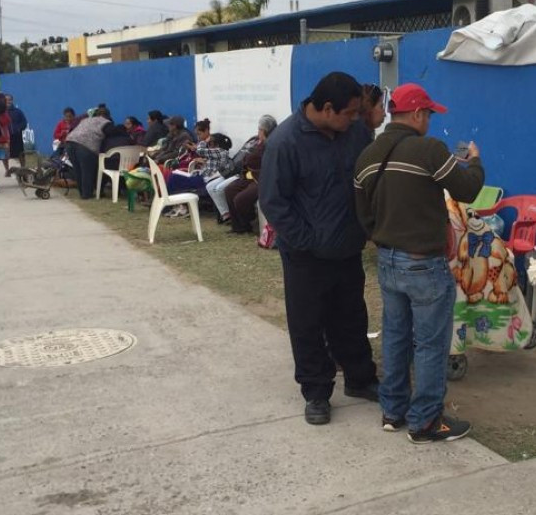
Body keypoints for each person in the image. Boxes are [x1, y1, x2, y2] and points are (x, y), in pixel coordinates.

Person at [354, 83, 484, 444]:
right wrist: (474, 161)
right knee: (429, 343)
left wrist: (382, 237)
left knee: (396, 336)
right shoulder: (429, 150)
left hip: (388, 261)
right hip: (423, 264)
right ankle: (425, 421)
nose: (429, 120)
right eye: (428, 114)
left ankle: (393, 410)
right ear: (416, 114)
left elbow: (362, 213)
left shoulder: (367, 155)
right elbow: (467, 190)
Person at [259, 71, 379, 425]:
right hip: (305, 257)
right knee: (307, 324)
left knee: (352, 317)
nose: (357, 118)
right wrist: (307, 241)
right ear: (328, 109)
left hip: (347, 248)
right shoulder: (285, 142)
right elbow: (274, 202)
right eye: (351, 112)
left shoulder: (355, 133)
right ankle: (316, 392)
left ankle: (360, 378)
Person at [206, 115, 276, 225]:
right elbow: (243, 157)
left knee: (240, 199)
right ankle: (236, 224)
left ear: (266, 131)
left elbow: (255, 161)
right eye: (259, 129)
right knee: (229, 190)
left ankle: (248, 221)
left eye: (260, 129)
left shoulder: (272, 143)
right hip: (246, 174)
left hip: (261, 179)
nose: (258, 132)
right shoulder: (254, 141)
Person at [64, 106, 113, 199]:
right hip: (86, 146)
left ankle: (82, 192)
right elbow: (111, 134)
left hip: (70, 142)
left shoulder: (86, 120)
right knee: (87, 170)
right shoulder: (106, 122)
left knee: (78, 169)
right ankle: (87, 194)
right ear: (108, 116)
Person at [5, 95, 28, 173]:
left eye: (10, 100)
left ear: (12, 101)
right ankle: (7, 170)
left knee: (20, 153)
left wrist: (18, 128)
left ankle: (23, 168)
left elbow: (24, 122)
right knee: (5, 154)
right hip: (6, 137)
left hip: (17, 136)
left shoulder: (18, 111)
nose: (8, 101)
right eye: (6, 100)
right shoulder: (1, 112)